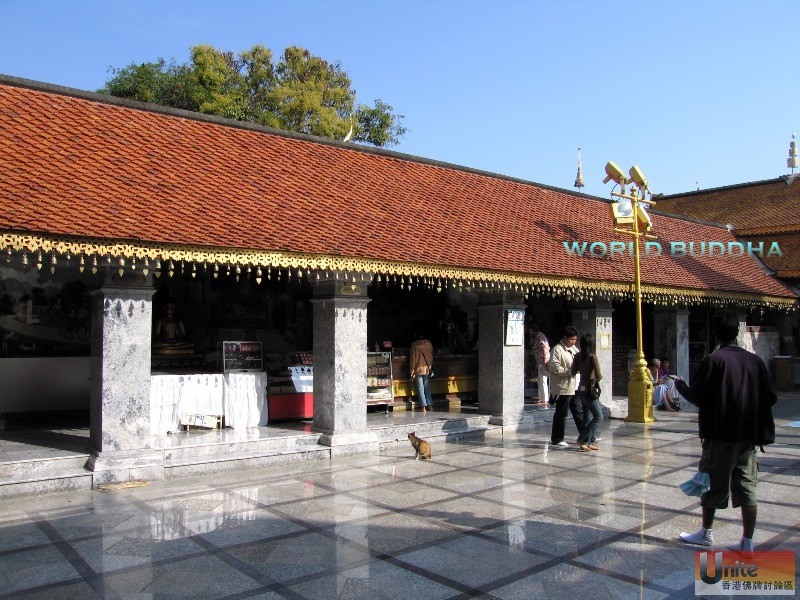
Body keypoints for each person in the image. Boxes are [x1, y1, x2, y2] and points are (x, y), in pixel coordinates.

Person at [675, 310, 777, 556]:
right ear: (737, 332)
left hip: (720, 436)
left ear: (715, 334)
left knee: (711, 482)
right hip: (748, 437)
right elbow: (771, 397)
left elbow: (698, 397)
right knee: (746, 485)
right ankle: (748, 540)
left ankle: (706, 532)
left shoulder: (714, 360)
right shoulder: (755, 361)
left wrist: (680, 386)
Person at [548, 326, 585, 447]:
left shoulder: (574, 348)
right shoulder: (557, 350)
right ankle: (557, 438)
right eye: (571, 339)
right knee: (561, 413)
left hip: (575, 385)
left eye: (575, 339)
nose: (574, 342)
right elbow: (553, 367)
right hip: (563, 386)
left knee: (578, 411)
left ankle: (586, 435)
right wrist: (569, 371)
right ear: (565, 338)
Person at [572, 333, 602, 451]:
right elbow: (599, 375)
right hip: (590, 391)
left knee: (586, 416)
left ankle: (588, 442)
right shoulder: (592, 356)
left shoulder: (577, 356)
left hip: (581, 389)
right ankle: (582, 439)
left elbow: (573, 372)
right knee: (598, 416)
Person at [409, 332, 434, 414]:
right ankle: (430, 406)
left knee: (420, 388)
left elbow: (413, 359)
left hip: (418, 369)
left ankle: (423, 408)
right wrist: (430, 366)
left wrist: (411, 371)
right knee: (426, 387)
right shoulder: (429, 344)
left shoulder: (414, 345)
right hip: (426, 369)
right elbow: (431, 355)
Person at [529, 322, 550, 405]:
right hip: (540, 360)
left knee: (543, 379)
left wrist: (544, 359)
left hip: (542, 360)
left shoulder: (539, 336)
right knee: (540, 379)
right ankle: (541, 398)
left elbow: (544, 348)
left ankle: (544, 399)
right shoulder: (538, 336)